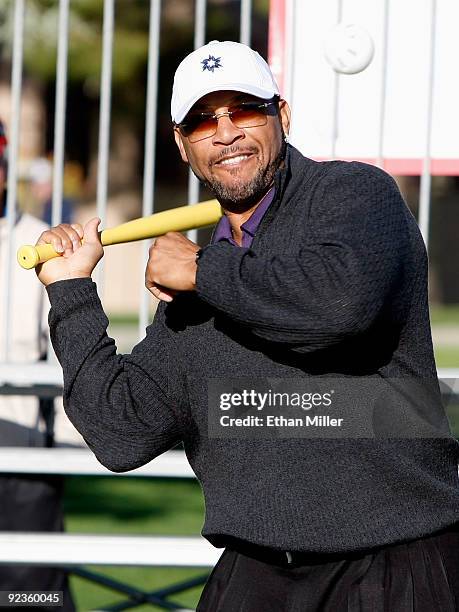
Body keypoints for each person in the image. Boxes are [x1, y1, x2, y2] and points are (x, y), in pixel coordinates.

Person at [35, 41, 459, 611]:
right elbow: (121, 432)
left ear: (281, 116)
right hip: (258, 570)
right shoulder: (198, 287)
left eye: (245, 110)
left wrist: (201, 269)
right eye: (203, 120)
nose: (227, 132)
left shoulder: (353, 195)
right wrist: (70, 292)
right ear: (183, 145)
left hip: (393, 565)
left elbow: (336, 307)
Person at [0, 121, 75, 611]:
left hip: (22, 449)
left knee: (30, 596)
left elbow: (71, 350)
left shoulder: (38, 242)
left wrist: (65, 456)